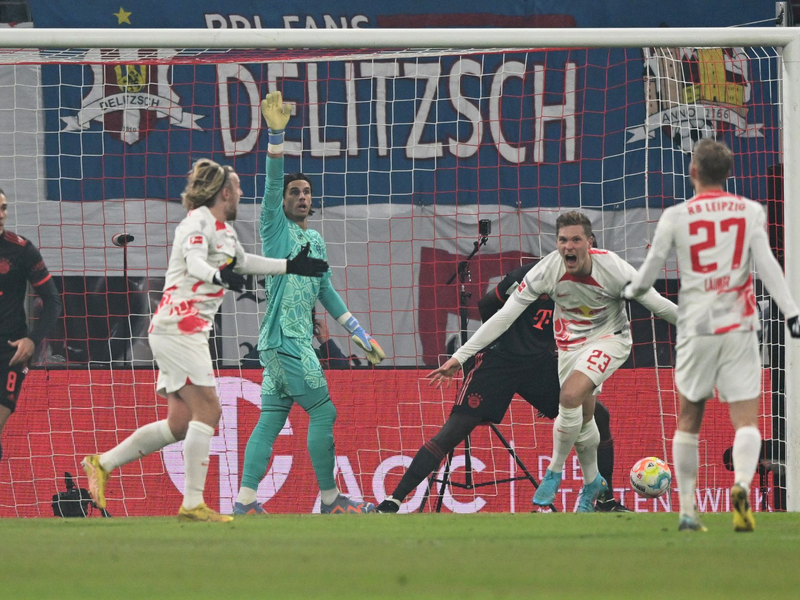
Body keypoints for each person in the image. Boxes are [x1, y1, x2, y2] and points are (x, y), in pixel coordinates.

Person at [81, 159, 329, 522]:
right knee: (209, 411)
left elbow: (244, 262)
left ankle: (102, 463)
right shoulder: (196, 222)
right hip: (178, 326)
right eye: (238, 187)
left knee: (180, 424)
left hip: (183, 329)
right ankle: (192, 503)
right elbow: (196, 262)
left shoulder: (225, 230)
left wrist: (290, 266)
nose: (242, 193)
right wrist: (219, 275)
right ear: (223, 192)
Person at [429, 211, 677, 512]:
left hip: (610, 339)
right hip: (570, 344)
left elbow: (660, 306)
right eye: (562, 240)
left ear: (589, 243)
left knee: (569, 396)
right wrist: (460, 355)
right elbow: (504, 317)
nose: (568, 246)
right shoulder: (545, 271)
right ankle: (594, 487)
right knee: (586, 420)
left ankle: (554, 473)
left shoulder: (612, 267)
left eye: (575, 239)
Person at [624, 139, 800, 532]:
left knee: (688, 419)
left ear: (694, 172)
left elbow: (650, 269)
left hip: (696, 328)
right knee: (747, 421)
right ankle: (740, 486)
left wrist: (631, 291)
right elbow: (767, 264)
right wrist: (791, 312)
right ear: (730, 173)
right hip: (739, 326)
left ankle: (688, 510)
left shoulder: (676, 215)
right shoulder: (749, 211)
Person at [376, 260, 631, 513]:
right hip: (498, 362)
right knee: (454, 431)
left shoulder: (587, 289)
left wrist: (559, 385)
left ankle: (605, 502)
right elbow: (487, 305)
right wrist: (490, 346)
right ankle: (394, 500)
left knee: (598, 415)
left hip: (540, 364)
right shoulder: (527, 276)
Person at [233, 91, 384, 515]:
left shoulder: (315, 240)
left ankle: (245, 501)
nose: (301, 196)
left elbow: (326, 291)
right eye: (294, 192)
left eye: (306, 192)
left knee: (271, 418)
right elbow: (270, 183)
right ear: (282, 203)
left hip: (282, 345)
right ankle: (331, 500)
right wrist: (276, 136)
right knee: (324, 412)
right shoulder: (275, 230)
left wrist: (359, 333)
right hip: (288, 341)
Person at [0, 189, 62, 461]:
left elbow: (52, 301)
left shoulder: (21, 249)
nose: (1, 215)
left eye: (4, 208)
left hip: (9, 351)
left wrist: (33, 340)